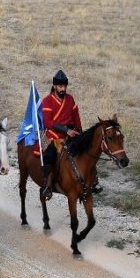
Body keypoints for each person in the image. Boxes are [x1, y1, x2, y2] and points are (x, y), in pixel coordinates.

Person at [39, 70, 97, 200]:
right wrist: (66, 130)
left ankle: (93, 181)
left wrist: (80, 131)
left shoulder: (70, 99)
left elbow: (76, 116)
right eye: (60, 86)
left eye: (64, 86)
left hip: (71, 134)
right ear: (54, 86)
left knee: (86, 151)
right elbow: (48, 122)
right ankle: (48, 185)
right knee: (50, 155)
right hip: (54, 135)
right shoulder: (47, 101)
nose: (63, 89)